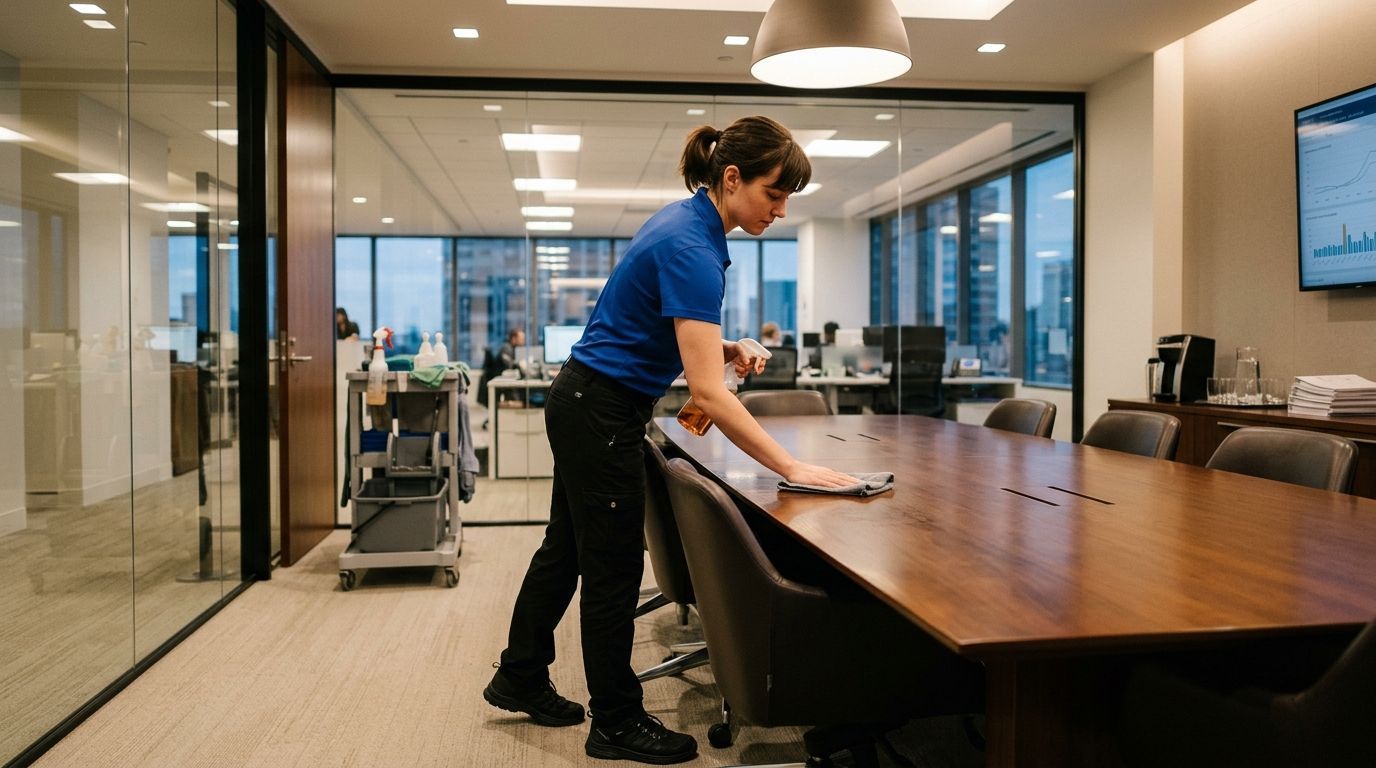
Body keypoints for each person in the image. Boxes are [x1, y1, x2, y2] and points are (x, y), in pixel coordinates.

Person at [483, 116, 858, 765]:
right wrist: (791, 466)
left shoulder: (687, 223)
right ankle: (616, 721)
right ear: (733, 178)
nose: (780, 210)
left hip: (585, 399)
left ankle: (520, 673)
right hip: (601, 409)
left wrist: (723, 344)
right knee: (612, 569)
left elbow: (655, 328)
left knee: (565, 549)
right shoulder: (693, 247)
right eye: (773, 193)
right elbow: (709, 395)